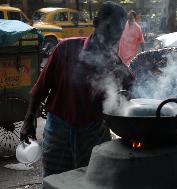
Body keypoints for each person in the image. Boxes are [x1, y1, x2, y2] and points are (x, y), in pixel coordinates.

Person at [20, 1, 134, 178]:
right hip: (58, 128)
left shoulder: (115, 64)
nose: (114, 35)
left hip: (94, 132)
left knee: (92, 179)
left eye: (119, 31)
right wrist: (28, 121)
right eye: (110, 27)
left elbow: (132, 93)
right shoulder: (66, 48)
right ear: (96, 23)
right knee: (54, 178)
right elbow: (41, 87)